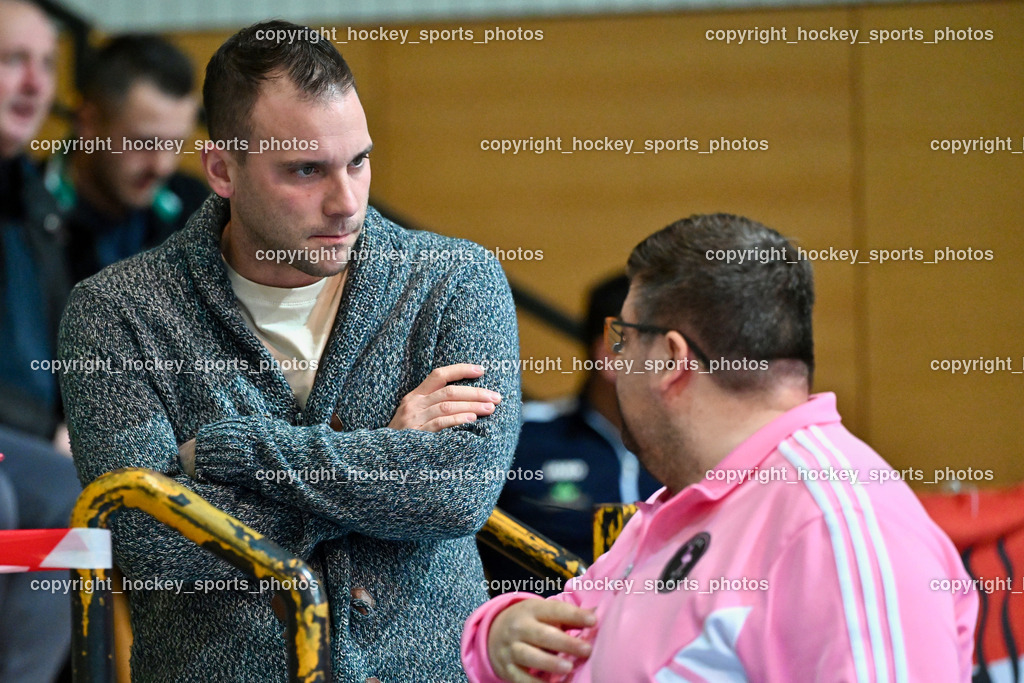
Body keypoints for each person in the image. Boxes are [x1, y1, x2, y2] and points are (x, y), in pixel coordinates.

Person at [59, 20, 520, 682]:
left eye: (358, 160)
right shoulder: (117, 313)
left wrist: (227, 454)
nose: (346, 202)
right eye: (305, 170)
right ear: (221, 168)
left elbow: (453, 493)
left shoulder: (454, 280)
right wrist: (384, 453)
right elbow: (152, 545)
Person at [462, 214, 977, 682]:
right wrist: (497, 630)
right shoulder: (677, 508)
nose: (614, 364)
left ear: (669, 359)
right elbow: (560, 635)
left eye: (625, 339)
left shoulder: (838, 525)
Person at [479, 274, 660, 594]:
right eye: (668, 345)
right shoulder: (515, 438)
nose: (688, 363)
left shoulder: (707, 452)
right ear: (612, 352)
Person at [0, 1, 83, 680]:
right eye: (11, 61)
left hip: (25, 437)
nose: (34, 84)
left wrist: (72, 418)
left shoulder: (38, 201)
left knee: (77, 495)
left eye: (47, 65)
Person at [45, 34, 206, 283]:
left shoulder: (195, 206)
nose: (163, 166)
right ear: (88, 123)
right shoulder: (22, 211)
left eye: (176, 144)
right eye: (144, 143)